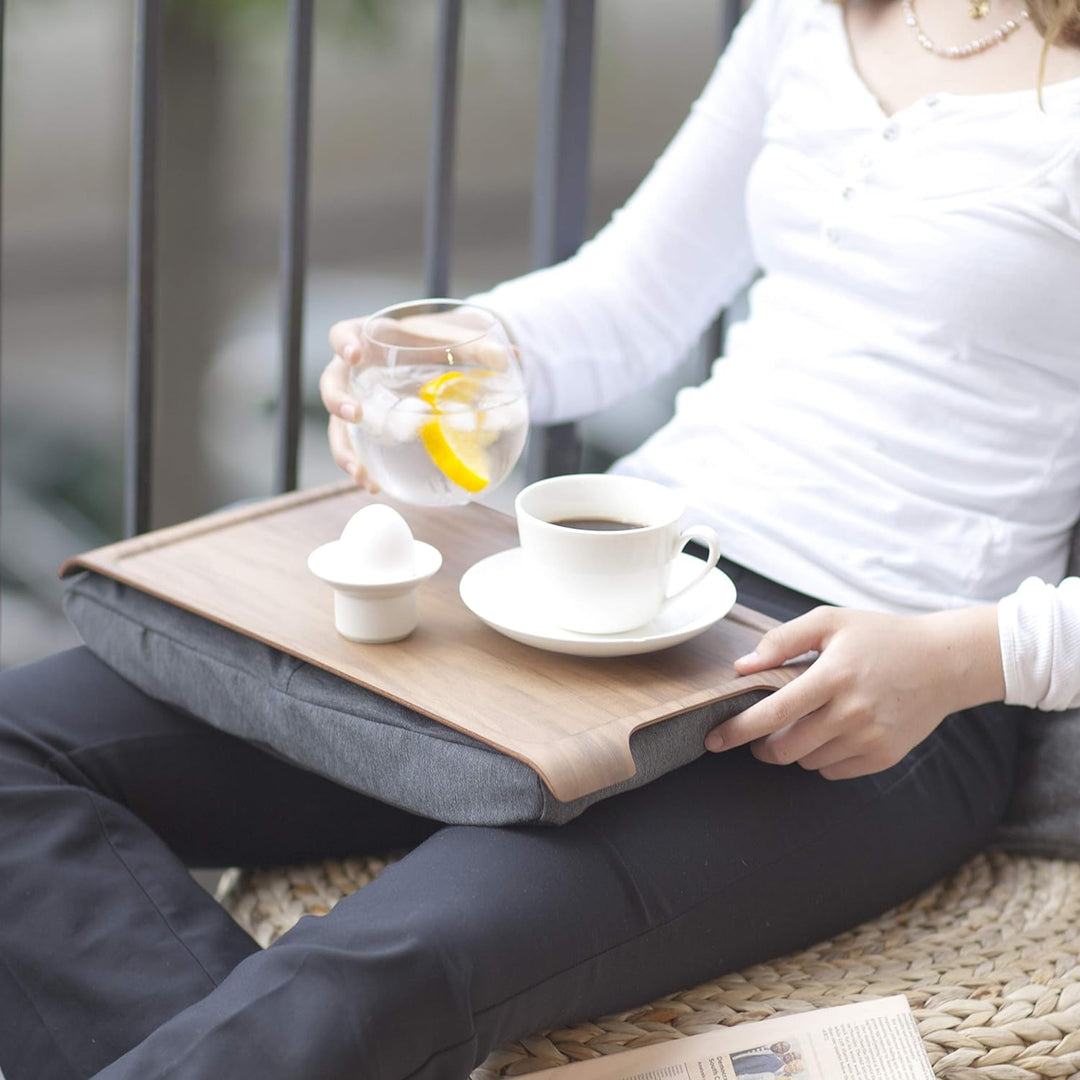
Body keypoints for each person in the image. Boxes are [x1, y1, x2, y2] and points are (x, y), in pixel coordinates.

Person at [1, 0, 1078, 1078]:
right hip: (603, 584)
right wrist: (464, 349)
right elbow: (629, 301)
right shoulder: (813, 15)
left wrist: (958, 661)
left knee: (376, 969)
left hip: (856, 690)